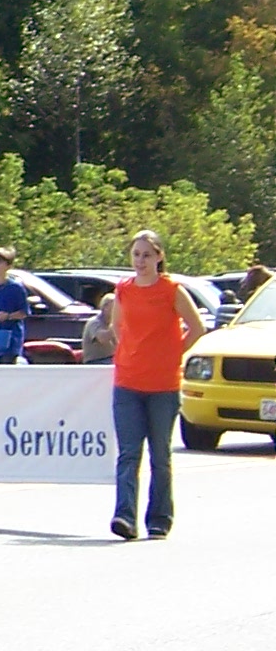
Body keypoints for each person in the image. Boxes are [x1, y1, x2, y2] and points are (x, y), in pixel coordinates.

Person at [100, 229, 208, 543]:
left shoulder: (171, 289)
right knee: (128, 453)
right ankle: (124, 517)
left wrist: (173, 353)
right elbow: (117, 326)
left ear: (159, 256)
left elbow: (197, 327)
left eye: (147, 255)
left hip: (162, 385)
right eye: (136, 254)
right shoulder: (124, 289)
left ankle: (159, 519)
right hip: (128, 382)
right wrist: (128, 353)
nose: (141, 261)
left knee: (160, 454)